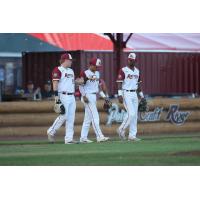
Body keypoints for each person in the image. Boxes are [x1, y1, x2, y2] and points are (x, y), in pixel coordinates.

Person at [78, 58, 110, 143]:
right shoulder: (85, 73)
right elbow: (81, 85)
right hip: (87, 96)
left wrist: (104, 97)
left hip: (93, 96)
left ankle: (83, 138)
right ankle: (99, 136)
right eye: (96, 66)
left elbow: (98, 88)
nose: (98, 68)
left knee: (87, 119)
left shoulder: (97, 73)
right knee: (95, 116)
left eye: (98, 66)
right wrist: (84, 96)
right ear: (91, 65)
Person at [47, 53, 76, 144]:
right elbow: (55, 83)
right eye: (70, 60)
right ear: (65, 60)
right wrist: (57, 98)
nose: (71, 62)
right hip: (63, 95)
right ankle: (51, 131)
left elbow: (71, 82)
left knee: (71, 118)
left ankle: (69, 139)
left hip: (72, 96)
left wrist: (81, 81)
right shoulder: (58, 69)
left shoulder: (71, 71)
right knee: (64, 115)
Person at [116, 53, 145, 141]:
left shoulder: (137, 71)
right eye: (129, 59)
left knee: (134, 115)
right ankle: (121, 129)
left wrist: (142, 96)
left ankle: (132, 135)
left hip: (134, 93)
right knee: (131, 113)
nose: (130, 61)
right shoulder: (123, 70)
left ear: (135, 61)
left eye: (132, 60)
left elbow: (139, 85)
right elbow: (119, 83)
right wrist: (119, 94)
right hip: (126, 93)